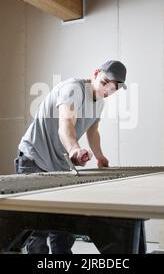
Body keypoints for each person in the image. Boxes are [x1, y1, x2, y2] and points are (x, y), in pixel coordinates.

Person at [14, 60, 127, 254]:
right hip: (34, 159)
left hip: (59, 165)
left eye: (112, 88)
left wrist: (100, 157)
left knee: (64, 229)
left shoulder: (99, 102)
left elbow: (93, 131)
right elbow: (66, 122)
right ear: (96, 73)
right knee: (38, 230)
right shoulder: (74, 89)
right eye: (104, 83)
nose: (107, 90)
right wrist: (75, 149)